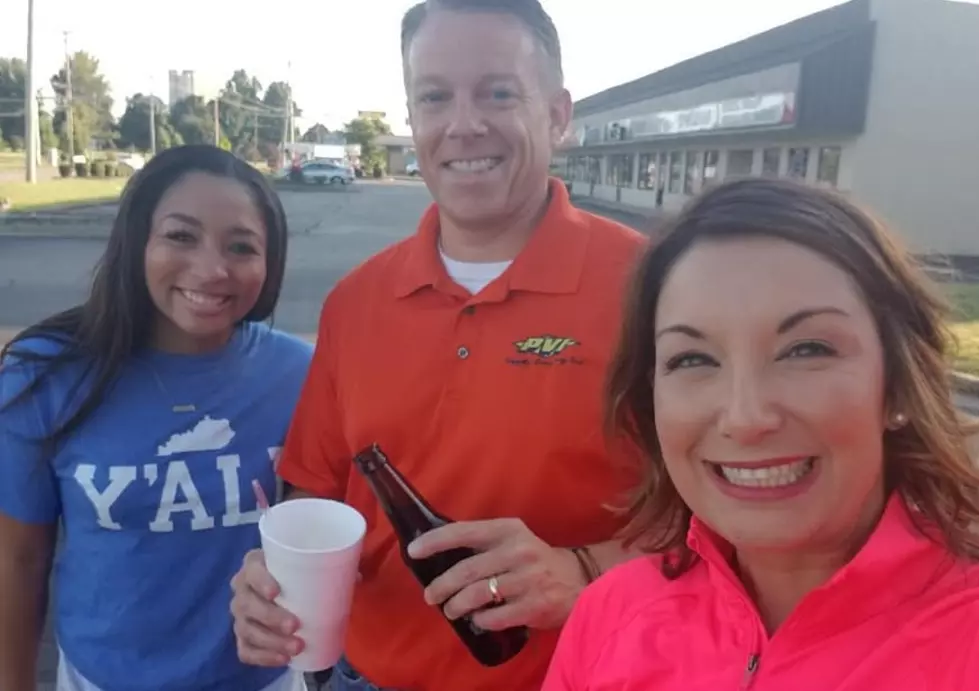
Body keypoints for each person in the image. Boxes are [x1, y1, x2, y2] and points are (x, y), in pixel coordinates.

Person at [229, 1, 647, 689]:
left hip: (580, 674)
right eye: (434, 96)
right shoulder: (356, 301)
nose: (463, 124)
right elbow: (316, 488)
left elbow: (731, 522)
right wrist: (273, 573)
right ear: (412, 117)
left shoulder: (652, 287)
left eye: (498, 92)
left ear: (557, 114)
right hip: (364, 674)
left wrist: (584, 569)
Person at [541, 177, 979, 690]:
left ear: (900, 387)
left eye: (807, 349)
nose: (745, 418)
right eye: (694, 359)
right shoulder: (609, 617)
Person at [0, 145, 314, 691]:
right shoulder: (45, 374)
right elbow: (19, 560)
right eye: (180, 236)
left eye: (241, 246)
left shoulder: (299, 374)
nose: (212, 269)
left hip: (262, 683)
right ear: (138, 240)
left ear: (272, 261)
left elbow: (317, 526)